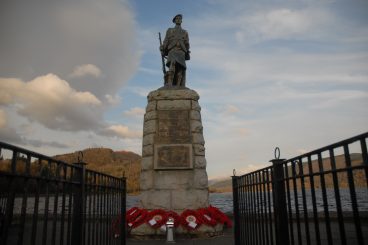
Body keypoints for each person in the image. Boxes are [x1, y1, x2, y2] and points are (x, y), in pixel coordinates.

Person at [160, 14, 190, 87]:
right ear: (174, 21)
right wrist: (162, 47)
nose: (178, 19)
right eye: (177, 18)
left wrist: (187, 50)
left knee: (180, 68)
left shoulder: (185, 32)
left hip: (181, 51)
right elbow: (166, 40)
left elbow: (187, 43)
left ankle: (179, 85)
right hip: (172, 50)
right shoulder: (170, 30)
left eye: (180, 18)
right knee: (172, 65)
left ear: (181, 20)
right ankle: (170, 83)